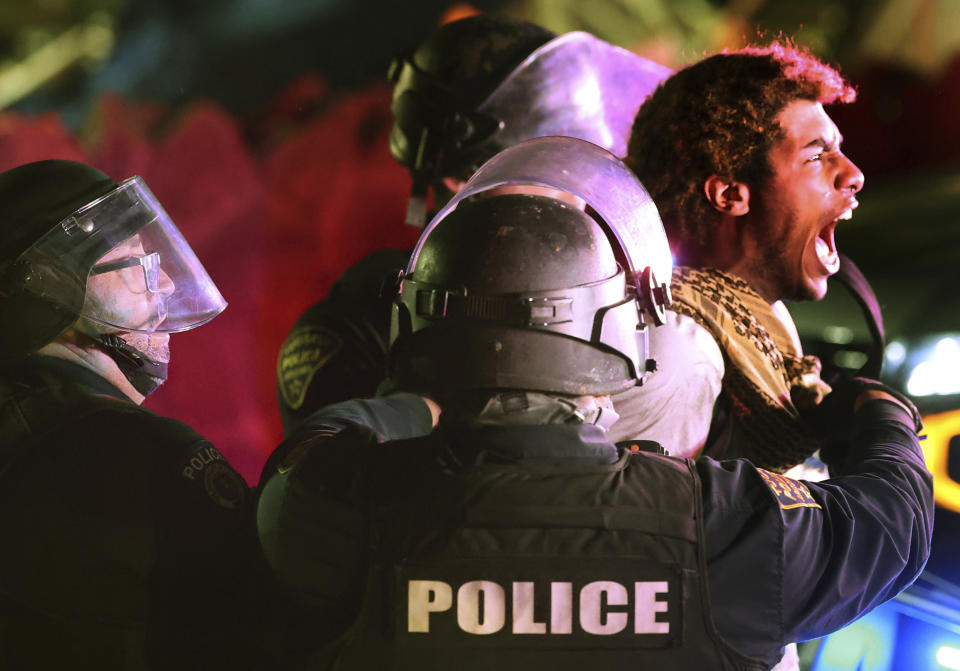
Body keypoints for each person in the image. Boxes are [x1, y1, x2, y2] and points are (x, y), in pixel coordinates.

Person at [257, 137, 933, 670]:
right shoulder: (713, 525)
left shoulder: (336, 507)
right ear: (613, 328)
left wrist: (419, 406)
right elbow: (893, 526)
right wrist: (876, 415)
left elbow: (318, 444)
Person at [274, 13, 670, 437]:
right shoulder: (362, 324)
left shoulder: (614, 287)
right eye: (550, 170)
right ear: (460, 181)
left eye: (580, 164)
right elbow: (325, 477)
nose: (580, 194)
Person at [0, 160, 267, 669]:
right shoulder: (134, 453)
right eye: (137, 263)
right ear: (49, 284)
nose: (165, 284)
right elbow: (269, 618)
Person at [612, 41, 866, 474]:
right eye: (817, 155)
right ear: (731, 194)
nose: (853, 175)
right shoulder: (677, 353)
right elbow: (642, 533)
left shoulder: (756, 322)